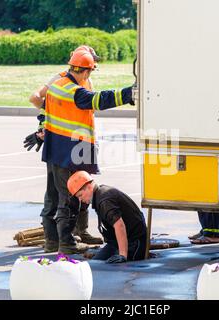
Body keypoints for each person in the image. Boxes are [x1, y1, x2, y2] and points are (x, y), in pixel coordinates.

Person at [37, 47, 134, 254]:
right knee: (70, 197)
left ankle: (53, 241)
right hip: (70, 151)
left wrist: (39, 130)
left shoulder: (57, 85)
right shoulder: (73, 91)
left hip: (56, 149)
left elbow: (44, 109)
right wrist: (128, 94)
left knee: (53, 196)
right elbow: (98, 100)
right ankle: (67, 243)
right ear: (86, 71)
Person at [24, 46, 103, 253]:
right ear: (84, 66)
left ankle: (78, 232)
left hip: (79, 143)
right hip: (67, 144)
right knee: (63, 193)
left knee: (82, 187)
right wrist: (46, 127)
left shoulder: (84, 81)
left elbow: (88, 107)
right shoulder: (60, 81)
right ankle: (61, 240)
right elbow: (38, 99)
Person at [67, 171, 147, 263]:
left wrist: (123, 255)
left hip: (134, 242)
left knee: (107, 267)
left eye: (80, 195)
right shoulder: (99, 194)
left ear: (89, 187)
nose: (80, 199)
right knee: (95, 263)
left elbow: (119, 225)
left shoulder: (104, 200)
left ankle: (123, 253)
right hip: (117, 242)